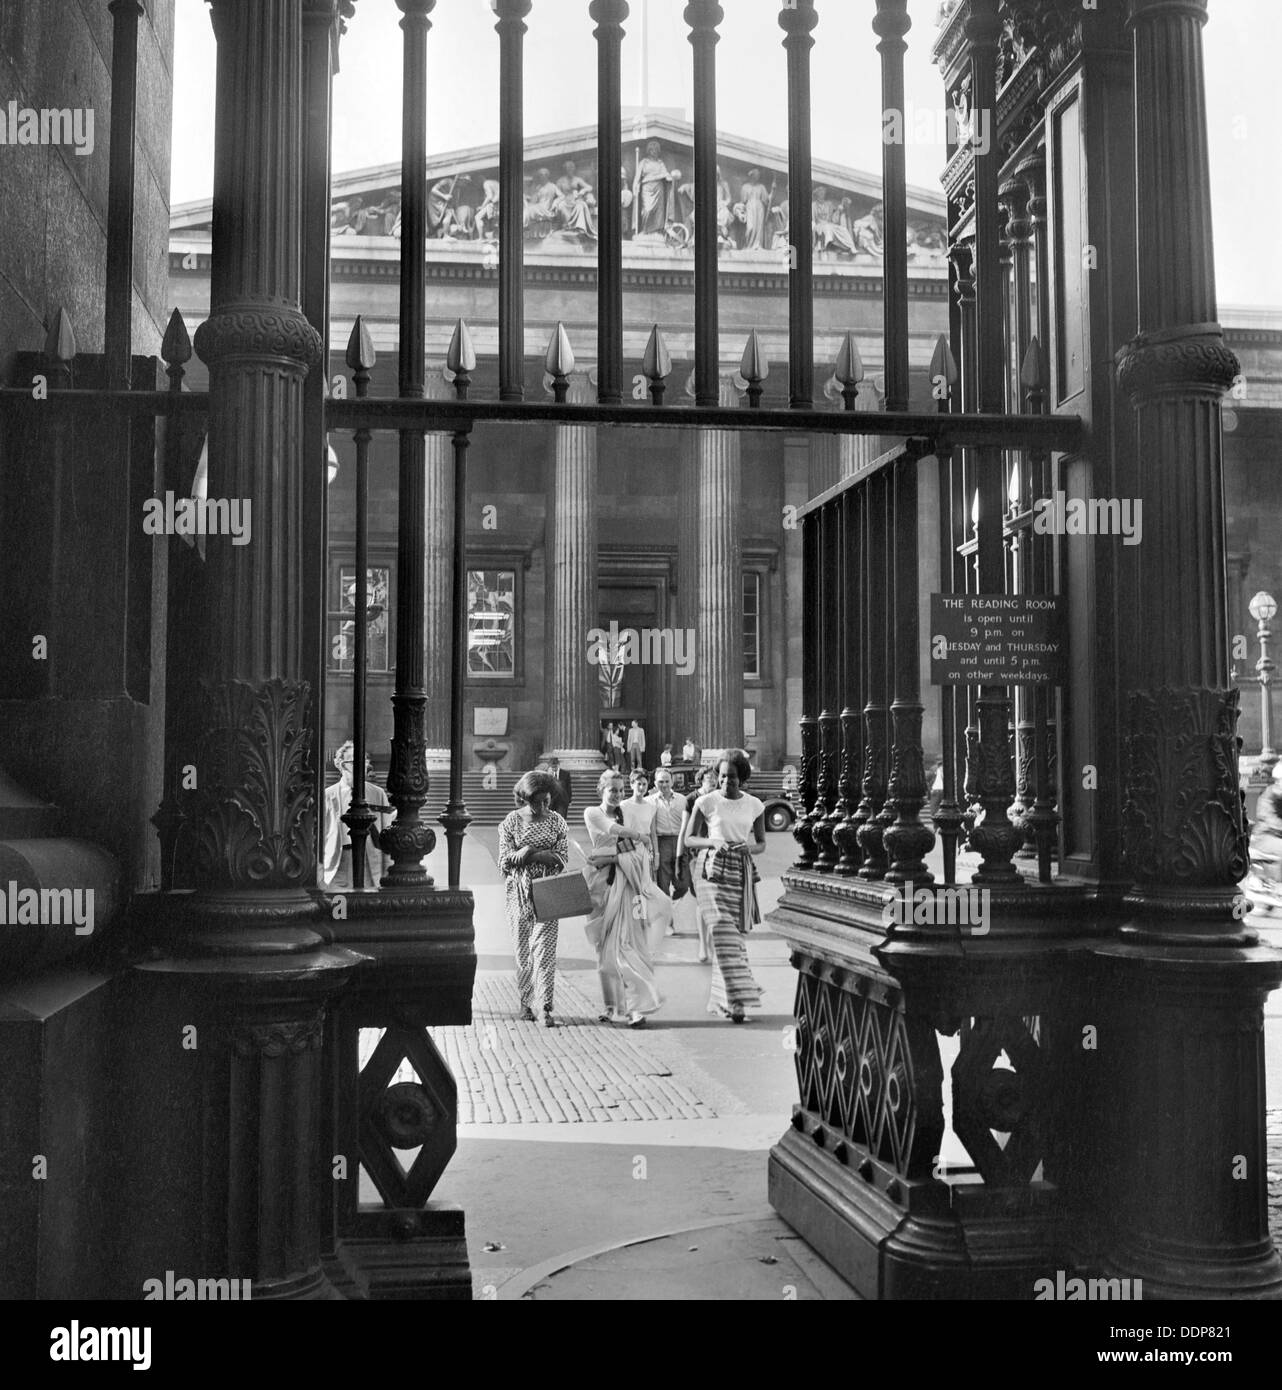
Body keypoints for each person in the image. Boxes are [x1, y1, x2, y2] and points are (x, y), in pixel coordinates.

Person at [683, 750, 766, 1023]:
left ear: (741, 777)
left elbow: (761, 843)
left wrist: (747, 848)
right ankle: (739, 999)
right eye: (721, 776)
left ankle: (725, 1000)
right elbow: (689, 840)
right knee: (721, 930)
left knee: (732, 938)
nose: (725, 782)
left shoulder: (755, 805)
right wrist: (712, 842)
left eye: (731, 776)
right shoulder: (706, 802)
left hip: (740, 871)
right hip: (710, 871)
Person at [582, 770, 667, 1026]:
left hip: (627, 882)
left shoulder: (626, 811)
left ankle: (635, 1008)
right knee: (605, 949)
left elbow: (627, 851)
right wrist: (637, 837)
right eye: (613, 790)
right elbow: (613, 830)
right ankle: (611, 1006)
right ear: (601, 791)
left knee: (627, 944)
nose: (618, 794)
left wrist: (613, 857)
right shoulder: (592, 812)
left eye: (620, 790)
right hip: (601, 884)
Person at [497, 771, 570, 1028]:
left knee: (545, 950)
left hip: (547, 889)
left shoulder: (557, 822)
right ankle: (526, 1001)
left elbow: (561, 858)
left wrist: (529, 852)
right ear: (524, 799)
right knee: (522, 949)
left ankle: (546, 1006)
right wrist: (537, 854)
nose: (541, 807)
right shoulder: (510, 822)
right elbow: (504, 861)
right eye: (535, 802)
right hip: (517, 892)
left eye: (546, 801)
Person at [321, 741, 393, 889]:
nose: (361, 766)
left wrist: (388, 872)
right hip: (337, 863)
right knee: (339, 908)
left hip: (369, 860)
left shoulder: (378, 794)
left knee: (366, 908)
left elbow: (387, 834)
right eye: (355, 762)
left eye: (364, 762)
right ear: (341, 765)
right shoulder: (327, 796)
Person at [677, 765, 720, 958]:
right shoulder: (691, 799)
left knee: (715, 901)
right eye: (709, 777)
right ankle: (703, 945)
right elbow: (684, 831)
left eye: (715, 777)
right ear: (701, 779)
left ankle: (710, 942)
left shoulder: (720, 798)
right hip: (697, 854)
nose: (713, 780)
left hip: (719, 855)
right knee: (703, 901)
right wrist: (679, 858)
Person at [647, 766, 688, 918]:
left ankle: (670, 905)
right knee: (663, 884)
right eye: (660, 782)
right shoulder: (650, 801)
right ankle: (666, 918)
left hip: (679, 841)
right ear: (655, 782)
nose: (663, 785)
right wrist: (654, 851)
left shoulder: (683, 800)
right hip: (661, 841)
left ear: (672, 781)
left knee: (683, 884)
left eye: (666, 781)